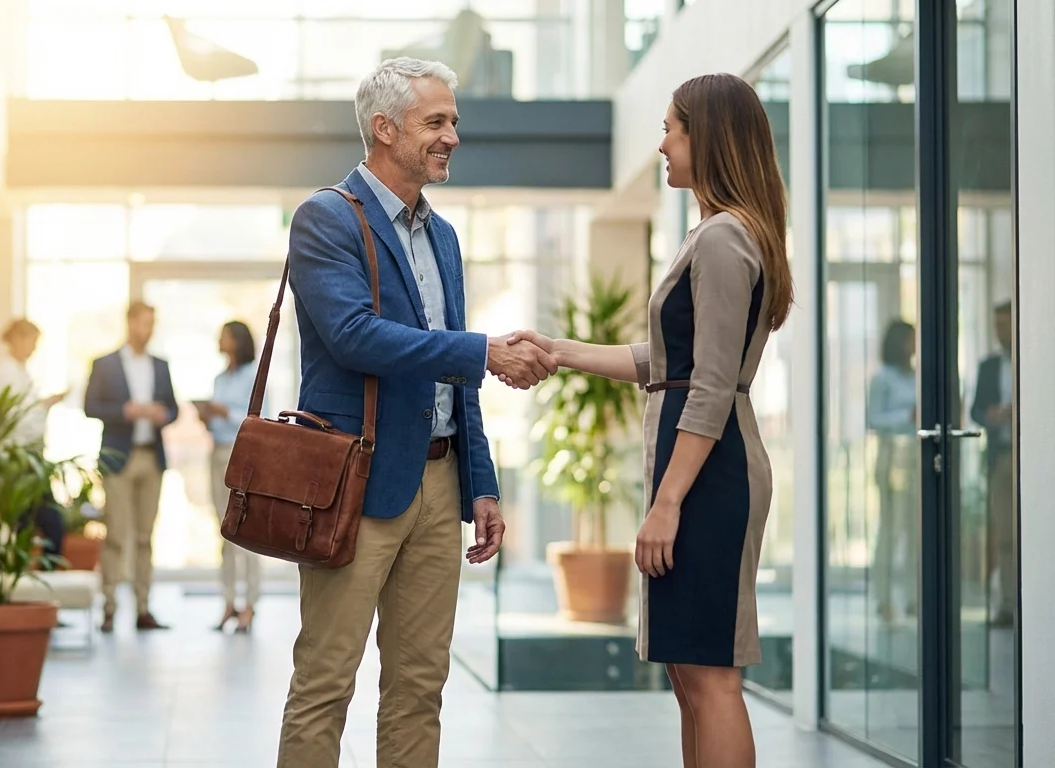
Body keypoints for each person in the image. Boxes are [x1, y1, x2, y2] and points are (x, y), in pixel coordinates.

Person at [504, 73, 792, 768]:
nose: (662, 144)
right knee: (688, 672)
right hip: (701, 464)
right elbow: (667, 361)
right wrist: (560, 350)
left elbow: (713, 383)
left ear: (708, 137)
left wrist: (667, 503)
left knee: (711, 675)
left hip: (709, 471)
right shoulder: (719, 233)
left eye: (671, 129)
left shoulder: (724, 238)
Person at [274, 57, 556, 768]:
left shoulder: (444, 237)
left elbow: (457, 382)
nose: (452, 136)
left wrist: (481, 483)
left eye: (453, 121)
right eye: (436, 122)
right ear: (384, 128)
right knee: (325, 684)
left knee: (420, 687)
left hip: (437, 488)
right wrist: (483, 351)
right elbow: (354, 336)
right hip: (357, 483)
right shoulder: (327, 217)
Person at [83, 301, 179, 633]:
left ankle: (143, 608)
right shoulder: (105, 364)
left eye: (152, 323)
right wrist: (125, 411)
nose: (148, 330)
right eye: (143, 323)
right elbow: (89, 406)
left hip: (151, 456)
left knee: (144, 537)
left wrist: (161, 414)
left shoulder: (161, 366)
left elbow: (174, 409)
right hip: (118, 458)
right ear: (129, 323)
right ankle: (109, 608)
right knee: (116, 535)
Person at [195, 321, 263, 633]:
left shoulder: (253, 375)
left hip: (245, 456)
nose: (218, 340)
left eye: (223, 335)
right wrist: (206, 417)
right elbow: (216, 426)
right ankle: (228, 603)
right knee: (223, 532)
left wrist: (227, 414)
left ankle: (249, 604)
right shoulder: (220, 378)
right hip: (218, 453)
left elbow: (260, 420)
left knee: (246, 533)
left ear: (237, 341)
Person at [0, 318, 67, 567]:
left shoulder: (19, 370)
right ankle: (32, 575)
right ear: (18, 339)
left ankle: (37, 574)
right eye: (32, 342)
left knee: (35, 522)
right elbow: (15, 416)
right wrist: (45, 405)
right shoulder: (6, 371)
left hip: (28, 458)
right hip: (18, 460)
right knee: (40, 521)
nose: (34, 349)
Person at [867, 320, 918, 622]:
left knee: (913, 532)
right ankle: (883, 598)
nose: (914, 346)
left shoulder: (916, 377)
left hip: (914, 460)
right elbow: (874, 418)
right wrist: (906, 416)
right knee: (889, 530)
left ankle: (913, 597)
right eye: (910, 340)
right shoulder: (882, 378)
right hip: (891, 459)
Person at [971, 300, 1014, 627]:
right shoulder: (988, 366)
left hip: (1033, 461)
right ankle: (1010, 606)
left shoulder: (1035, 358)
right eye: (996, 324)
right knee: (1005, 533)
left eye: (1005, 324)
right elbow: (975, 410)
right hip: (1001, 457)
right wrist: (991, 416)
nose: (1000, 331)